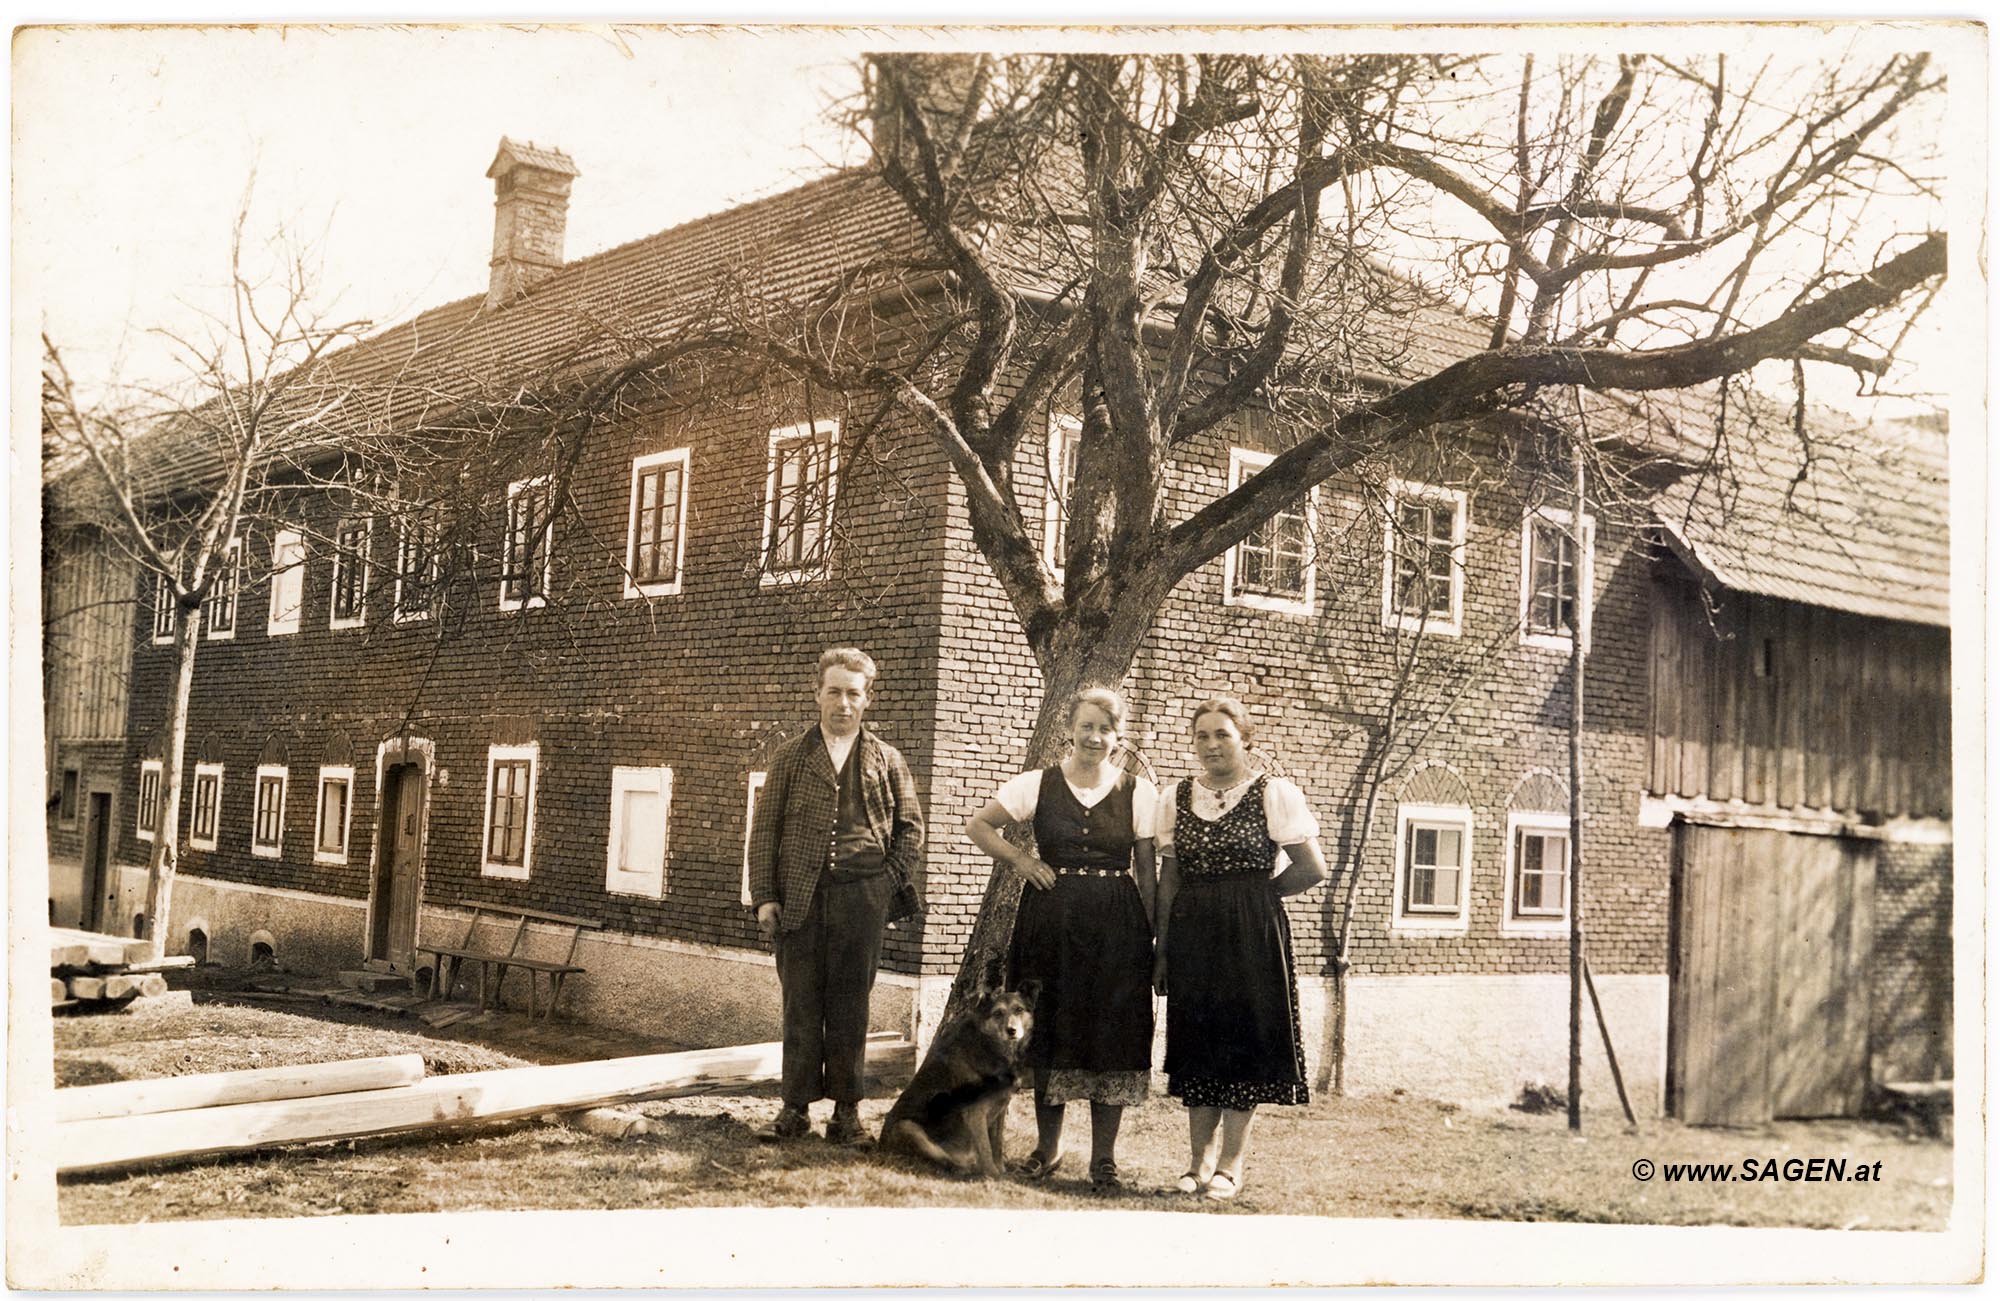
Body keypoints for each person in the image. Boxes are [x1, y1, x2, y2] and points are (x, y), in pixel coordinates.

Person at [967, 687, 1158, 1190]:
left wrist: (1154, 937)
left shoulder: (1139, 792)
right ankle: (1046, 1150)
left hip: (1117, 925)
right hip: (1049, 922)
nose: (1095, 737)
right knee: (1047, 1028)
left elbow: (1148, 870)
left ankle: (1104, 1160)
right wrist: (1022, 861)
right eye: (1087, 726)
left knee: (1111, 1033)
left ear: (1119, 736)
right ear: (1069, 729)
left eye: (1106, 728)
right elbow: (980, 825)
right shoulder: (1038, 784)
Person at [1154, 695, 1329, 1201]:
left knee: (1242, 1040)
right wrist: (1162, 947)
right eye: (1202, 735)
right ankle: (1196, 1162)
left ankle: (1230, 1166)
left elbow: (1311, 867)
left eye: (1223, 735)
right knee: (1198, 1039)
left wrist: (1258, 896)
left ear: (1245, 740)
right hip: (1192, 932)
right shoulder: (1176, 797)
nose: (1211, 745)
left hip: (1252, 934)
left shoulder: (1273, 793)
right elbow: (1170, 876)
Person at [748, 647, 925, 1145]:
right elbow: (764, 833)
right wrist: (765, 896)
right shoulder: (791, 757)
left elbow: (911, 832)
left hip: (861, 903)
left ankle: (847, 1114)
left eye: (853, 693)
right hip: (800, 900)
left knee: (851, 1007)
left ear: (868, 699)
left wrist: (883, 886)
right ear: (817, 694)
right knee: (800, 1003)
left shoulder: (887, 760)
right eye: (834, 692)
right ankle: (794, 1109)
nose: (842, 704)